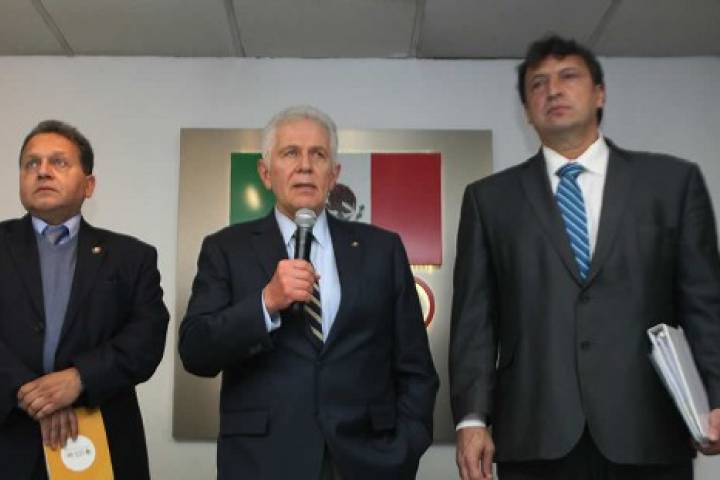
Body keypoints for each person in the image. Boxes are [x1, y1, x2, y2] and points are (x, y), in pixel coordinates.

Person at [449, 35, 720, 480]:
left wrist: (715, 395)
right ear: (527, 111)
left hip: (648, 430)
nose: (553, 90)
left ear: (600, 94)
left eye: (568, 76)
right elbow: (475, 321)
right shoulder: (489, 200)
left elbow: (704, 303)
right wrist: (472, 419)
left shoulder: (671, 184)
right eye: (538, 83)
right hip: (535, 434)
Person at [179, 105, 438, 479]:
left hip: (368, 464)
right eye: (290, 153)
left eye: (318, 154)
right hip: (262, 464)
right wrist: (266, 303)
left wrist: (404, 449)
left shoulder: (382, 250)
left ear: (334, 175)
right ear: (265, 173)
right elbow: (195, 350)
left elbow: (416, 368)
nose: (305, 166)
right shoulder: (226, 249)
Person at [0, 120, 169, 479]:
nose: (42, 171)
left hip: (100, 440)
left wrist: (79, 379)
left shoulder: (131, 257)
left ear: (88, 185)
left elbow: (147, 338)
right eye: (31, 163)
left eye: (59, 162)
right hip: (9, 438)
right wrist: (34, 394)